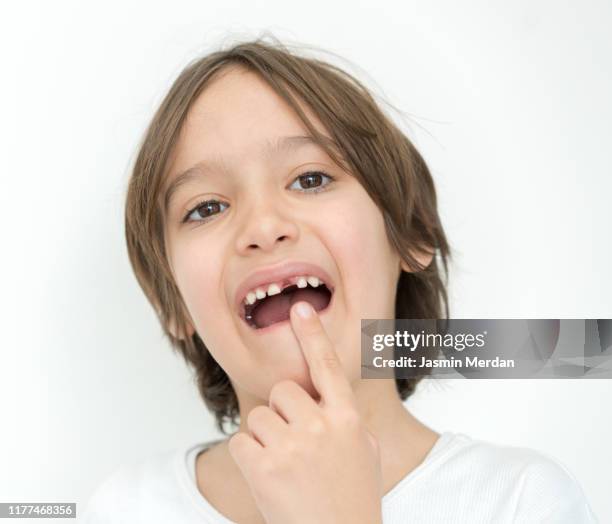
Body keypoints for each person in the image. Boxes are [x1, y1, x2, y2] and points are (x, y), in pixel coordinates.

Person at [81, 35, 597, 523]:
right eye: (207, 207)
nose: (262, 228)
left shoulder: (519, 500)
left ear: (409, 234)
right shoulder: (124, 507)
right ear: (169, 299)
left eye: (311, 179)